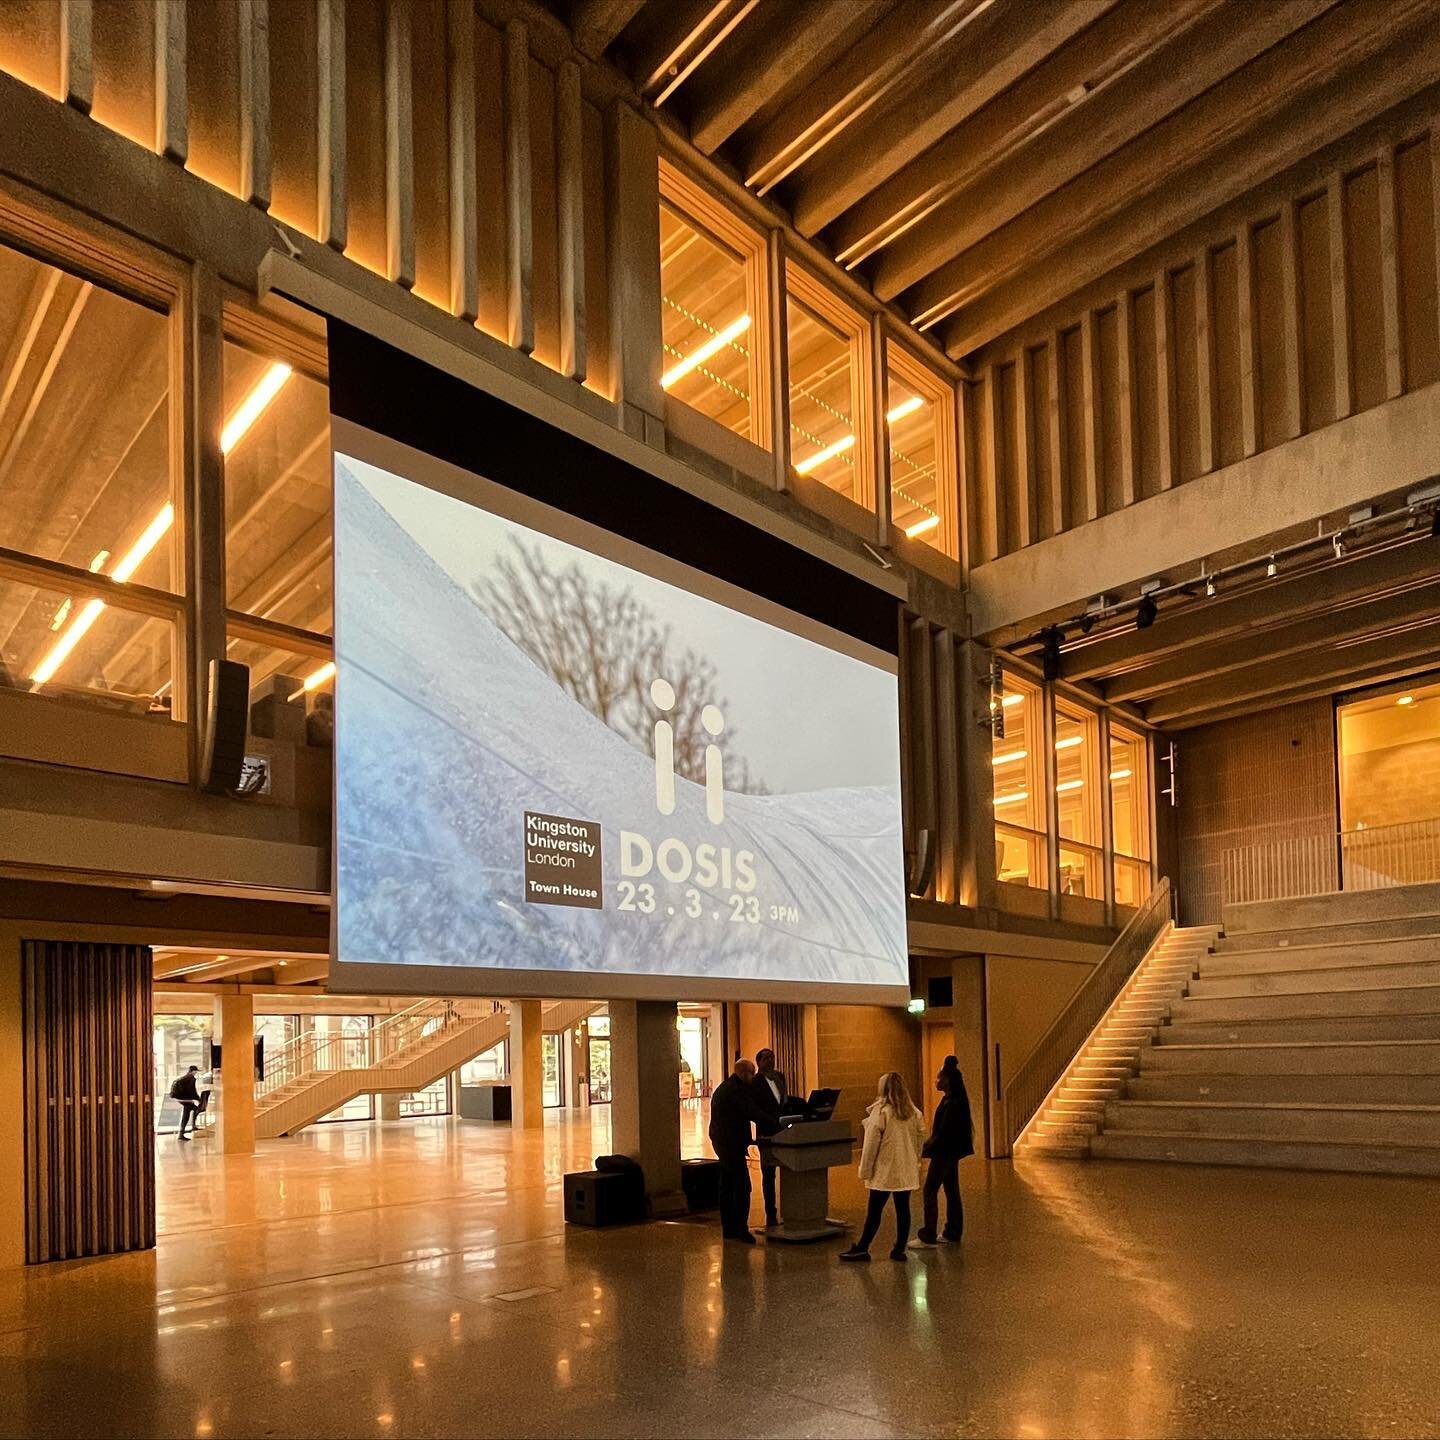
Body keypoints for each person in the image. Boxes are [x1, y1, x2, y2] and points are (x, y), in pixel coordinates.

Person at [840, 1071, 927, 1262]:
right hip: (905, 1168)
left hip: (885, 1170)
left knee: (875, 1211)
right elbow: (921, 1138)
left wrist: (865, 1170)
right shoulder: (913, 1112)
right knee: (903, 1209)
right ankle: (899, 1249)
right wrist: (915, 1160)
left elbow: (871, 1145)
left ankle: (863, 1247)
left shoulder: (881, 1112)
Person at [708, 1058, 780, 1243]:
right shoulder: (735, 1091)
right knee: (741, 1187)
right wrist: (777, 1123)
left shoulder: (726, 1087)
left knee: (728, 1186)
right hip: (730, 1144)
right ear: (743, 1073)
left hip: (724, 1142)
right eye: (752, 1073)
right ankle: (740, 1229)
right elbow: (751, 1112)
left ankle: (729, 1228)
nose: (753, 1077)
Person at [913, 1055, 974, 1246]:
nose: (937, 1081)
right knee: (951, 1189)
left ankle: (929, 1233)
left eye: (940, 1078)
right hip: (951, 1152)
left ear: (947, 1080)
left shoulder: (952, 1104)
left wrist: (926, 1149)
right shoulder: (954, 1100)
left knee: (930, 1189)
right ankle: (953, 1231)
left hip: (944, 1152)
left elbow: (943, 1133)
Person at [750, 1047, 786, 1227]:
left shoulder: (780, 1077)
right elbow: (754, 1108)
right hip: (766, 1133)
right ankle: (770, 1212)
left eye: (772, 1057)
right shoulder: (755, 1082)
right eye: (766, 1058)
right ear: (759, 1062)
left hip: (783, 1131)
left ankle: (788, 1210)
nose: (771, 1061)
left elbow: (783, 1101)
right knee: (768, 1174)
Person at [170, 1065, 202, 1141]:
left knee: (192, 1110)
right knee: (189, 1113)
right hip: (184, 1098)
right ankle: (182, 1133)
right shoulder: (191, 1078)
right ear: (193, 1071)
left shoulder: (185, 1077)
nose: (196, 1073)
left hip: (180, 1097)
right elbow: (191, 1090)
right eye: (196, 1071)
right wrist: (198, 1098)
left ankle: (187, 1130)